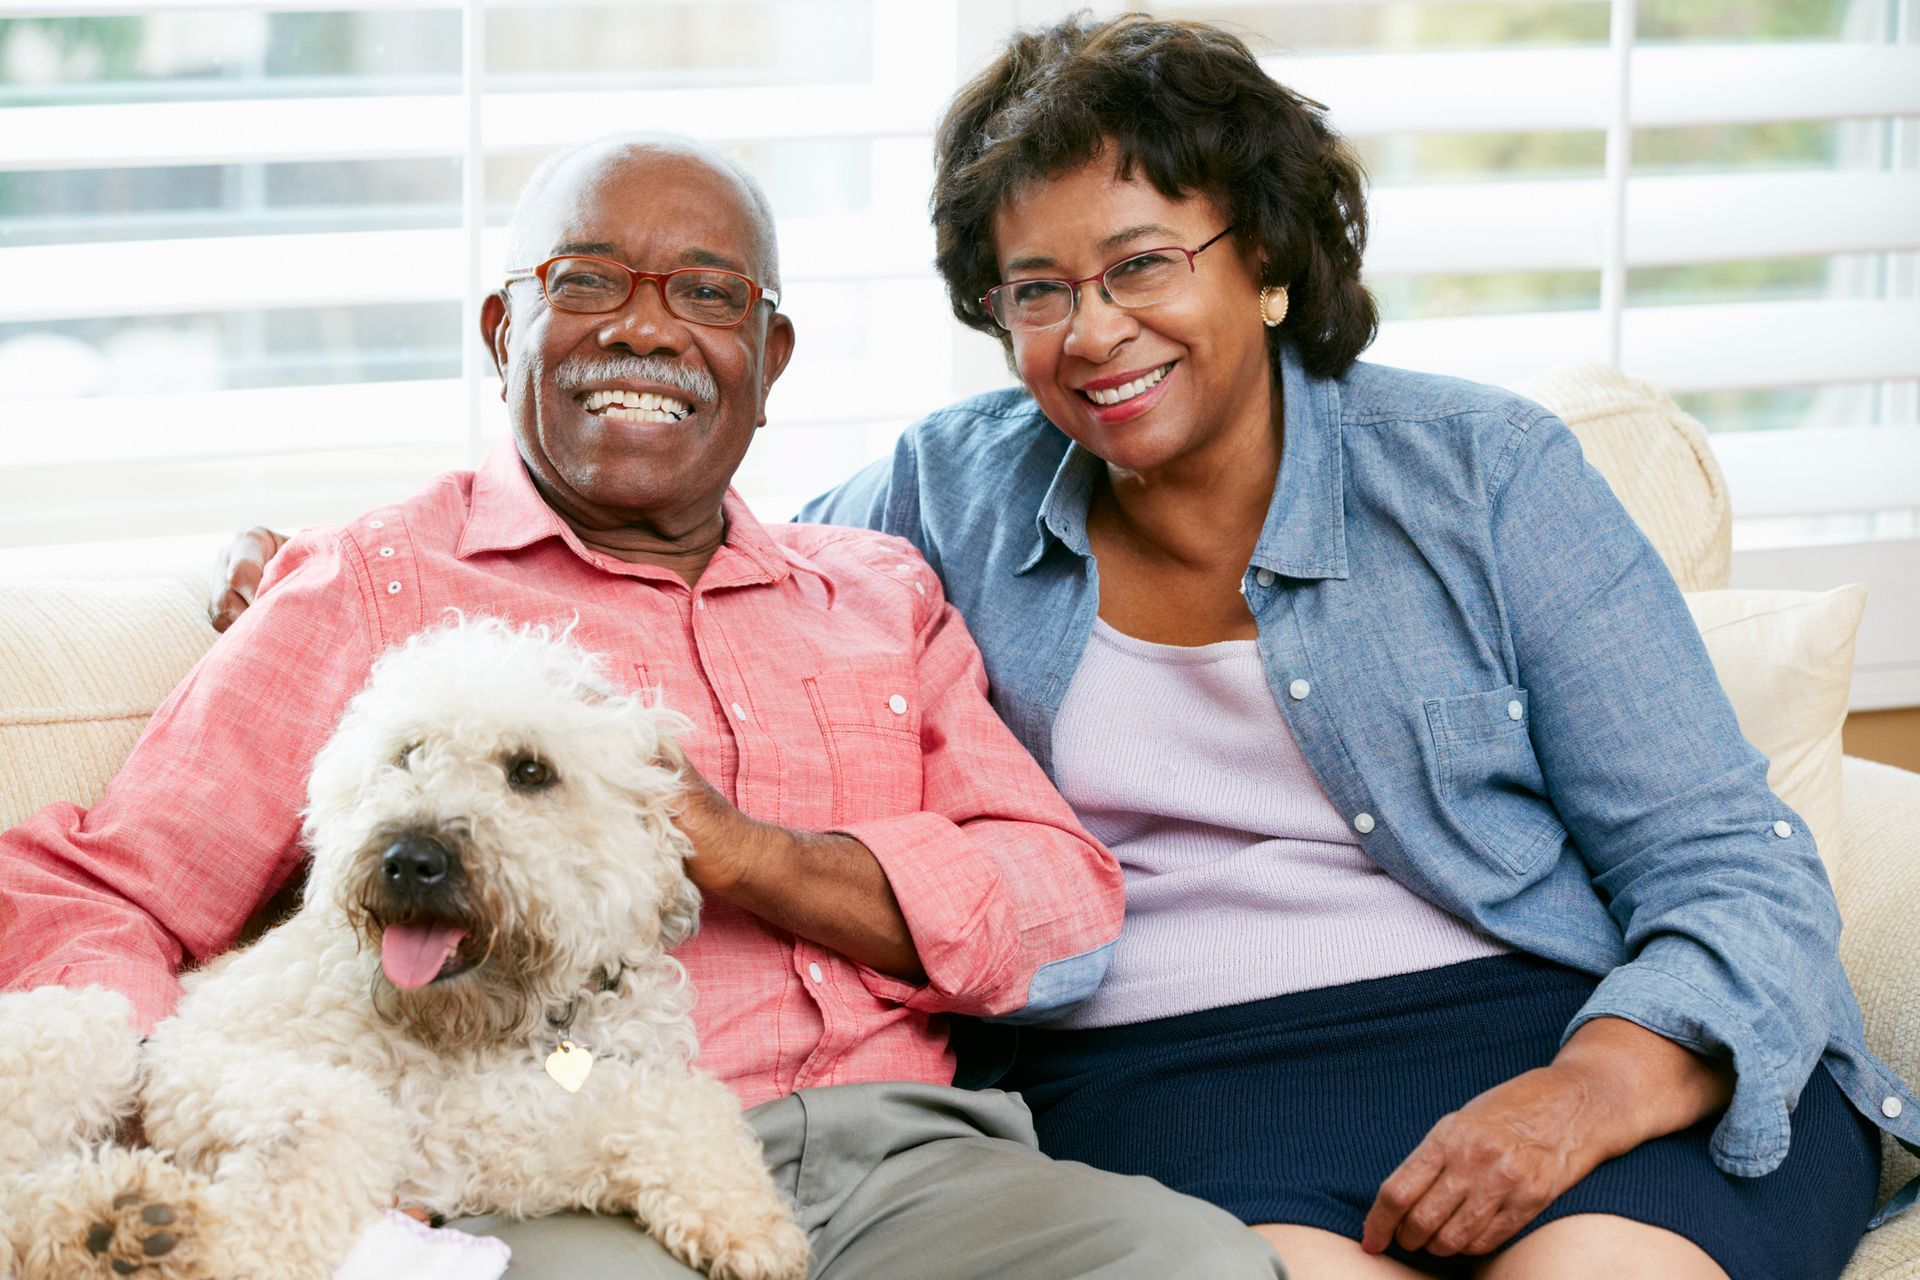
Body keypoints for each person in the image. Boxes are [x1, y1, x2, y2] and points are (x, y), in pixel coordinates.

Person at [209, 17, 1920, 1280]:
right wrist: (336, 582)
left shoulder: (1485, 475)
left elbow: (1726, 861)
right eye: (1035, 290)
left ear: (1268, 266)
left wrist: (1591, 1090)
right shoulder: (937, 497)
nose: (1092, 332)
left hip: (1543, 1027)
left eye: (1144, 264)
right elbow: (680, 542)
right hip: (1175, 1087)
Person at [0, 134, 1289, 1280]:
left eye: (708, 295)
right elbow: (106, 891)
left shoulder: (876, 591)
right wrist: (179, 1100)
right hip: (534, 1159)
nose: (644, 329)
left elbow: (1063, 910)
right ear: (507, 333)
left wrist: (743, 854)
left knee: (1191, 1260)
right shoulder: (375, 584)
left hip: (908, 1161)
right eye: (587, 281)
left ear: (767, 358)